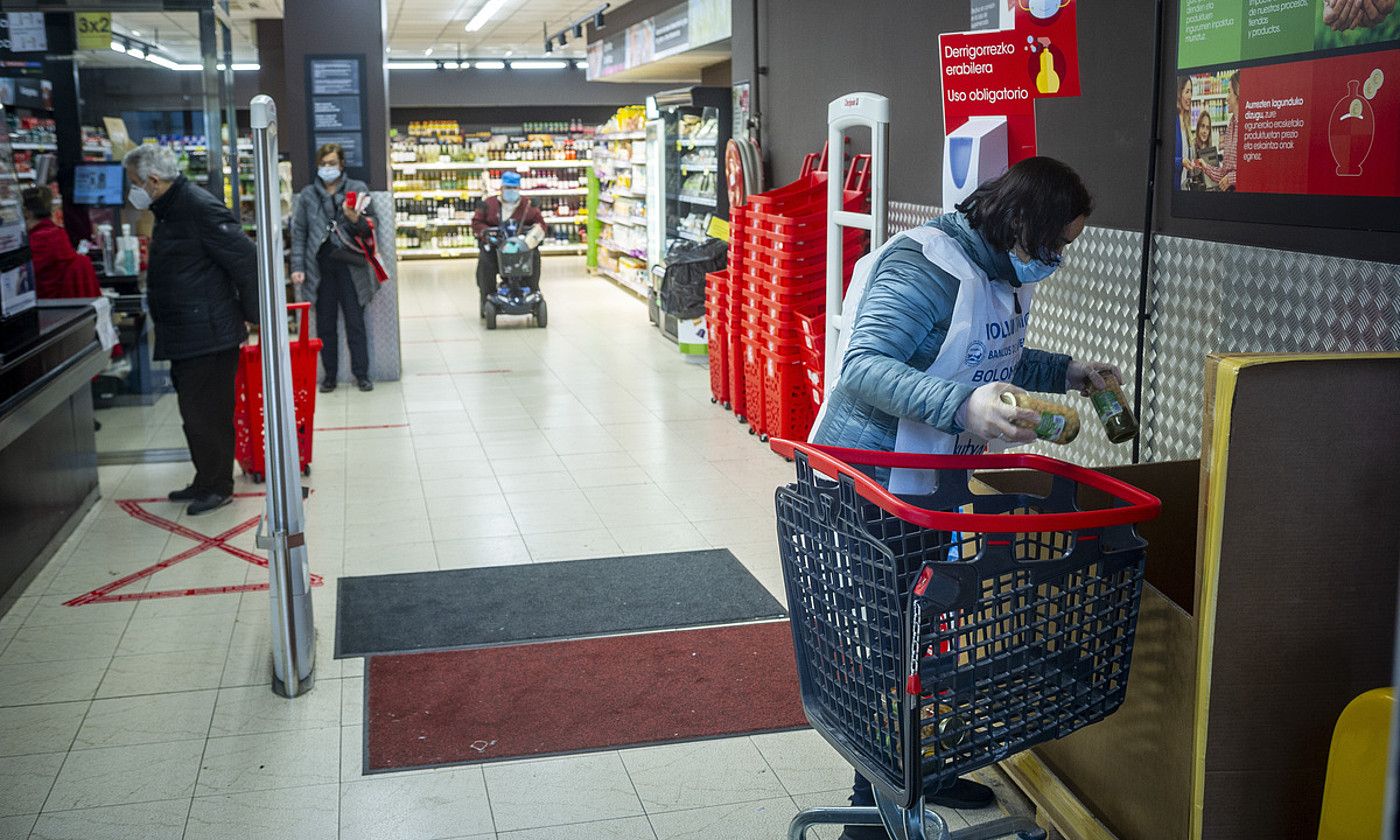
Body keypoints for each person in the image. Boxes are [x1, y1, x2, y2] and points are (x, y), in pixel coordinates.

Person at [809, 157, 1122, 839]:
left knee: (933, 639)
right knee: (891, 646)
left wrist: (1068, 372)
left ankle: (928, 766)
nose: (1059, 258)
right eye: (1056, 243)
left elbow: (989, 356)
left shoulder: (997, 271)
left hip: (935, 486)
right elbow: (863, 366)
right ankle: (871, 807)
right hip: (873, 483)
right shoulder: (922, 266)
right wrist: (962, 408)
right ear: (1019, 223)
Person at [122, 143, 259, 515]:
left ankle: (218, 486)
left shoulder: (196, 206)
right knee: (193, 413)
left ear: (153, 180)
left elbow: (246, 258)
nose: (132, 190)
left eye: (134, 182)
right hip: (188, 331)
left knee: (208, 414)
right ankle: (205, 479)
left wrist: (253, 314)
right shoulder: (169, 209)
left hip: (209, 333)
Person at [291, 143, 376, 393]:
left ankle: (362, 374)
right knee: (325, 325)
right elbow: (300, 233)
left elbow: (371, 228)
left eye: (332, 163)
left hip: (351, 268)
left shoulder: (357, 190)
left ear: (341, 165)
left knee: (355, 323)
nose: (328, 168)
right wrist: (297, 266)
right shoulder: (308, 195)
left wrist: (355, 218)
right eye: (323, 164)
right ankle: (329, 376)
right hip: (320, 269)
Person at [471, 170, 546, 311]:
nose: (511, 191)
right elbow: (477, 223)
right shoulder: (489, 204)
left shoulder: (528, 206)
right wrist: (486, 234)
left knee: (534, 256)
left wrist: (531, 238)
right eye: (508, 188)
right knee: (485, 262)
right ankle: (487, 297)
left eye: (514, 188)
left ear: (519, 189)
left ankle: (532, 290)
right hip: (496, 248)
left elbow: (540, 224)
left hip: (522, 248)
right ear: (501, 188)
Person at [21, 186, 100, 299]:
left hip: (47, 310)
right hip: (67, 309)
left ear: (27, 212)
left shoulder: (36, 241)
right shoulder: (59, 234)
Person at [1194, 73, 1239, 192]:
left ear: (1238, 94)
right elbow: (1224, 173)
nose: (1227, 97)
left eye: (1229, 91)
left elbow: (1255, 172)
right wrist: (1205, 167)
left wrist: (1231, 178)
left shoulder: (1249, 126)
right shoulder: (1231, 125)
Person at [1173, 76, 1196, 190]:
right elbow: (1164, 158)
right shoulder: (1173, 120)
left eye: (1191, 91)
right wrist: (1180, 161)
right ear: (1178, 94)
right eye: (1187, 91)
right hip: (1173, 188)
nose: (1190, 96)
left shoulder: (1186, 121)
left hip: (1184, 187)